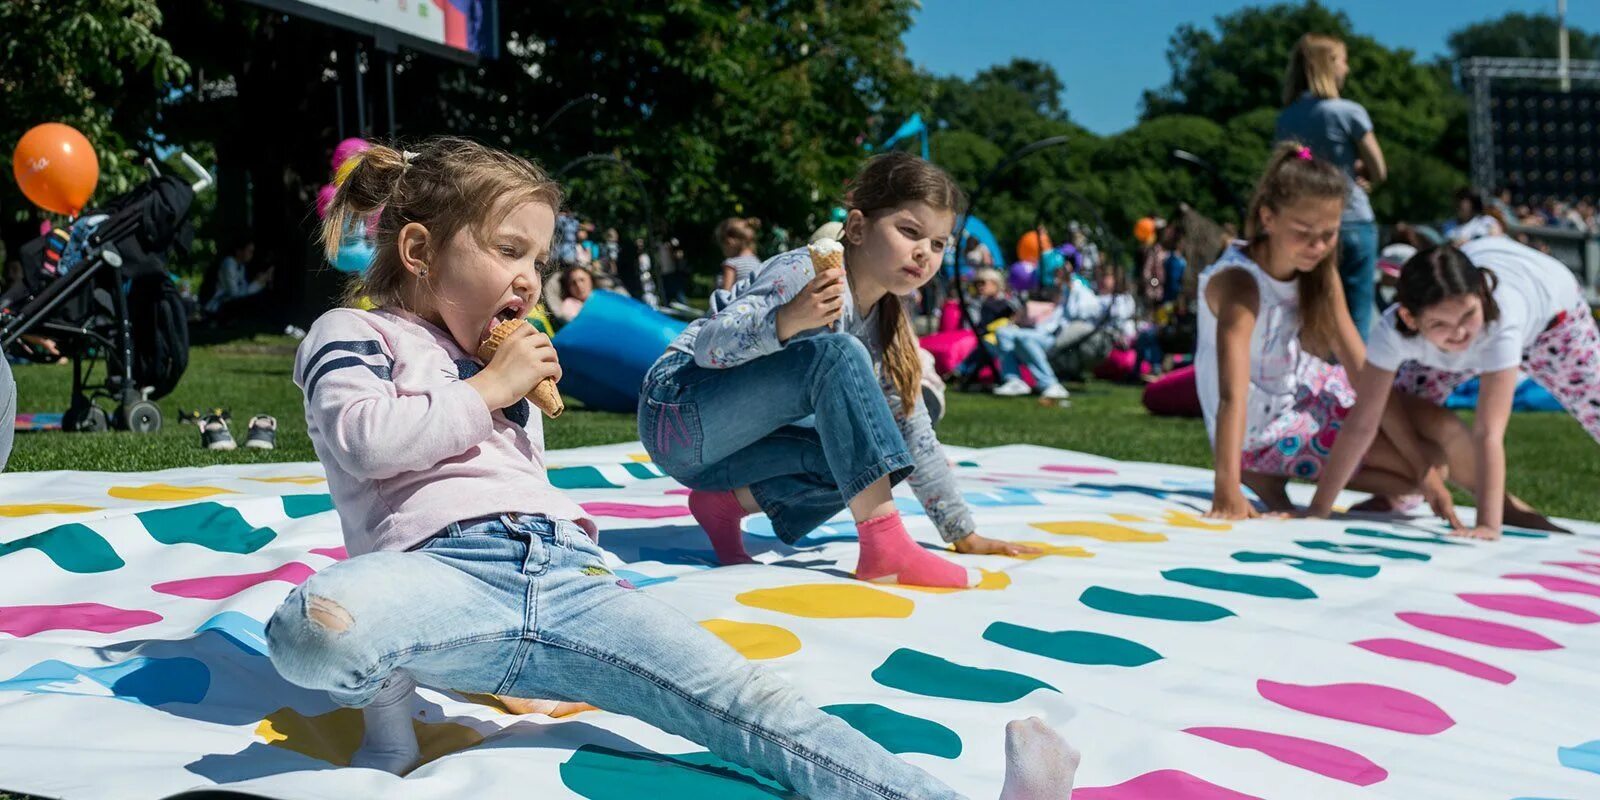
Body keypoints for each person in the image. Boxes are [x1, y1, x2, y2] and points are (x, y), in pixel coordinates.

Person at [263, 138, 1079, 797]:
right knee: (315, 628)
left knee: (750, 702)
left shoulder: (497, 357)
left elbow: (516, 484)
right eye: (509, 249)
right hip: (442, 571)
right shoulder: (354, 332)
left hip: (569, 575)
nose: (529, 277)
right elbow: (363, 442)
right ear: (417, 249)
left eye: (539, 258)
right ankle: (392, 724)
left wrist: (505, 391)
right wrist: (488, 390)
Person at [640, 152, 1048, 591]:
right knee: (838, 355)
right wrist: (785, 320)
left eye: (937, 244)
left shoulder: (891, 323)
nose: (923, 253)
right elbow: (708, 347)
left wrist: (962, 533)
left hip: (723, 460)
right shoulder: (805, 273)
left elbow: (914, 433)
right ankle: (885, 547)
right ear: (856, 228)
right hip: (677, 410)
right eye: (910, 231)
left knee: (870, 449)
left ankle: (723, 505)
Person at [1197, 143, 1434, 519]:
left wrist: (1424, 465)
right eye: (1304, 232)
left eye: (1329, 234)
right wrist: (1226, 487)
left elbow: (1362, 370)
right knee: (1410, 478)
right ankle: (1259, 471)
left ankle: (1274, 476)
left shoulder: (1319, 273)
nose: (1318, 246)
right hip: (1260, 428)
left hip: (1302, 391)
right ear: (1268, 219)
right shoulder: (1240, 285)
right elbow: (1232, 394)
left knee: (1430, 456)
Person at [1308, 239, 1592, 538]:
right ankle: (1407, 492)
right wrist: (1318, 509)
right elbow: (1363, 421)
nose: (1457, 333)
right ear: (1409, 318)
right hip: (1482, 300)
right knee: (1406, 410)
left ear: (1480, 295)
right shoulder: (1393, 332)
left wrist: (1487, 524)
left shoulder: (1501, 322)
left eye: (1467, 315)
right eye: (1440, 323)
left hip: (1556, 322)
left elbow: (1489, 432)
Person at [1276, 33, 1387, 340]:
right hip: (1352, 219)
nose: (1347, 69)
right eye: (1342, 60)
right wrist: (1357, 168)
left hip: (1307, 224)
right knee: (1357, 319)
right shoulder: (1348, 112)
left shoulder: (1286, 118)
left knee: (1312, 315)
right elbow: (1379, 169)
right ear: (1327, 65)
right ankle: (1353, 387)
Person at [203, 238, 271, 316]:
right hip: (217, 306)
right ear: (239, 251)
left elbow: (243, 289)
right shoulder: (229, 263)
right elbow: (234, 294)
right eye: (249, 251)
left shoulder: (241, 266)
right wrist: (257, 283)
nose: (251, 255)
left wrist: (257, 282)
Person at [715, 217, 762, 291]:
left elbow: (725, 294)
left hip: (736, 302)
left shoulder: (731, 264)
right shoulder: (757, 262)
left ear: (729, 242)